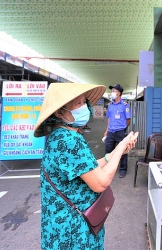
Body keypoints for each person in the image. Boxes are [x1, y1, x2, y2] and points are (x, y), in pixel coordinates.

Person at [33, 83, 138, 250]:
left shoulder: (61, 135)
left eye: (84, 102)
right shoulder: (69, 141)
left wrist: (110, 156)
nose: (85, 108)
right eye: (78, 104)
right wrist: (119, 148)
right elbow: (100, 182)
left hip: (61, 226)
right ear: (60, 112)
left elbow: (86, 168)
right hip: (73, 232)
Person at [104, 84, 131, 178]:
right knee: (108, 151)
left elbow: (128, 120)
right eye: (112, 91)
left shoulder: (125, 105)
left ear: (119, 93)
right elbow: (109, 119)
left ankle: (123, 170)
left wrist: (123, 128)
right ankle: (108, 167)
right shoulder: (110, 105)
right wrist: (106, 130)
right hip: (110, 132)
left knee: (122, 151)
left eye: (114, 91)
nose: (112, 93)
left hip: (120, 132)